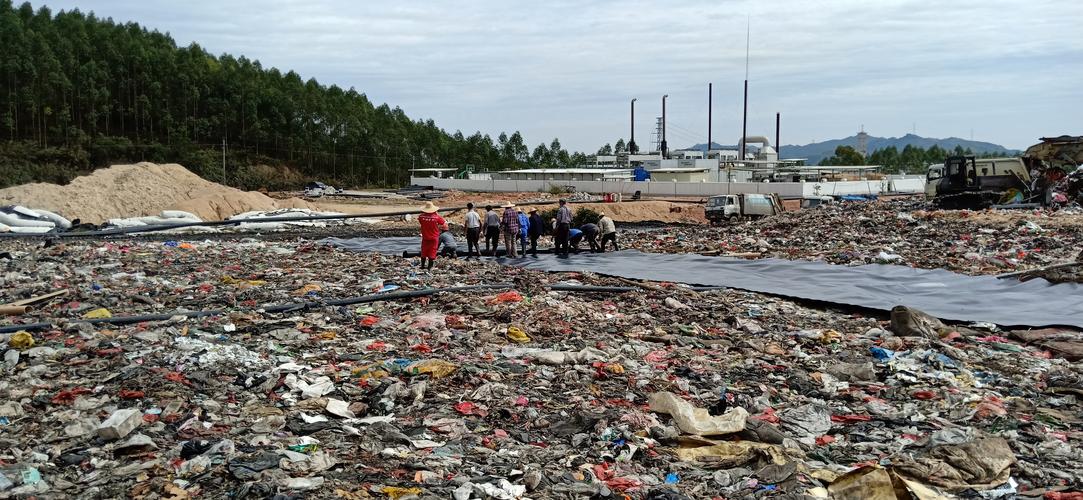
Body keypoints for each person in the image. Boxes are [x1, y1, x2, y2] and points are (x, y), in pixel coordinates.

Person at [417, 201, 445, 270]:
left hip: (425, 236)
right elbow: (443, 223)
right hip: (434, 237)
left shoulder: (421, 217)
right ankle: (430, 266)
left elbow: (421, 222)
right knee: (432, 251)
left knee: (424, 251)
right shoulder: (436, 217)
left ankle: (422, 266)